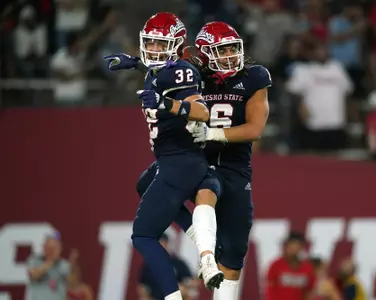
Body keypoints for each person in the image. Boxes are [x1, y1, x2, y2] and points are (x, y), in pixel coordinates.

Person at [105, 20, 272, 300]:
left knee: (232, 255)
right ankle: (200, 241)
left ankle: (211, 260)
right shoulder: (194, 72)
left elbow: (254, 130)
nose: (230, 55)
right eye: (222, 50)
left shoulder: (254, 77)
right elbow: (167, 68)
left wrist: (212, 132)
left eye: (232, 48)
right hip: (198, 158)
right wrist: (136, 63)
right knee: (147, 182)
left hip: (234, 167)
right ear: (205, 53)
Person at [104, 12, 223, 300]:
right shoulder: (162, 68)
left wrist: (165, 103)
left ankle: (172, 297)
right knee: (143, 183)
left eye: (161, 44)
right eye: (151, 44)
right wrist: (134, 63)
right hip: (175, 160)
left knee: (143, 236)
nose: (154, 50)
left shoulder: (181, 71)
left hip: (178, 163)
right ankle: (198, 234)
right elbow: (158, 68)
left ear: (177, 45)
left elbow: (202, 110)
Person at [137, 234, 196, 300]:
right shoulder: (148, 266)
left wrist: (183, 288)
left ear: (166, 244)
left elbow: (193, 282)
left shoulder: (177, 263)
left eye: (162, 243)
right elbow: (142, 286)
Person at [265, 232, 316, 300]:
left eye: (296, 245)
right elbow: (270, 287)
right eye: (291, 245)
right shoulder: (276, 265)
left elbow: (310, 291)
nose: (293, 248)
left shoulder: (307, 268)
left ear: (301, 247)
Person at [27, 233, 76, 300]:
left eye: (54, 248)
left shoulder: (63, 264)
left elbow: (72, 284)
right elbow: (34, 275)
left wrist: (73, 266)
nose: (51, 251)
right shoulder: (35, 261)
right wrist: (51, 261)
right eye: (50, 248)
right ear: (44, 247)